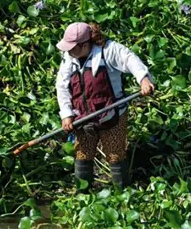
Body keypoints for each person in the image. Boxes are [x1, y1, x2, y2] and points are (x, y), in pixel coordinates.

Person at [55, 22, 155, 188]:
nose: (69, 51)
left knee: (115, 153)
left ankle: (122, 192)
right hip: (83, 116)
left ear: (85, 44)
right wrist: (66, 114)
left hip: (112, 114)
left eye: (72, 47)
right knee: (82, 153)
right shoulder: (69, 57)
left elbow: (130, 59)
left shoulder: (108, 50)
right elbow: (62, 86)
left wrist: (143, 79)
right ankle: (82, 195)